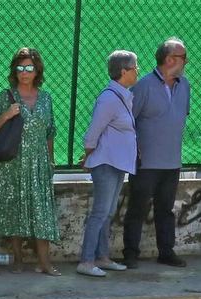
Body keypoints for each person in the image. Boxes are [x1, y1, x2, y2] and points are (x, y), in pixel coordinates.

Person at [0, 47, 61, 275]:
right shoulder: (6, 96)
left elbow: (50, 133)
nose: (24, 72)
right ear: (15, 71)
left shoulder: (46, 98)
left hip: (39, 165)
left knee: (42, 213)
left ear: (37, 70)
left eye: (29, 67)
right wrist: (7, 114)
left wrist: (51, 161)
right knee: (15, 210)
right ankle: (18, 260)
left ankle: (44, 263)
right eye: (20, 68)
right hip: (13, 164)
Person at [126, 38, 192, 268]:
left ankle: (166, 252)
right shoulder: (143, 86)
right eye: (183, 57)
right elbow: (128, 121)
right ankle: (130, 253)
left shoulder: (185, 85)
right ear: (169, 59)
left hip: (172, 162)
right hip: (146, 163)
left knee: (166, 210)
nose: (186, 62)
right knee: (137, 208)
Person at [77, 51, 140, 278]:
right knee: (100, 212)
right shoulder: (109, 98)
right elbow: (92, 133)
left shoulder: (122, 96)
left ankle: (102, 257)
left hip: (116, 163)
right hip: (105, 163)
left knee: (109, 212)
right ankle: (86, 261)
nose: (137, 71)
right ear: (123, 72)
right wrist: (88, 156)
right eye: (135, 68)